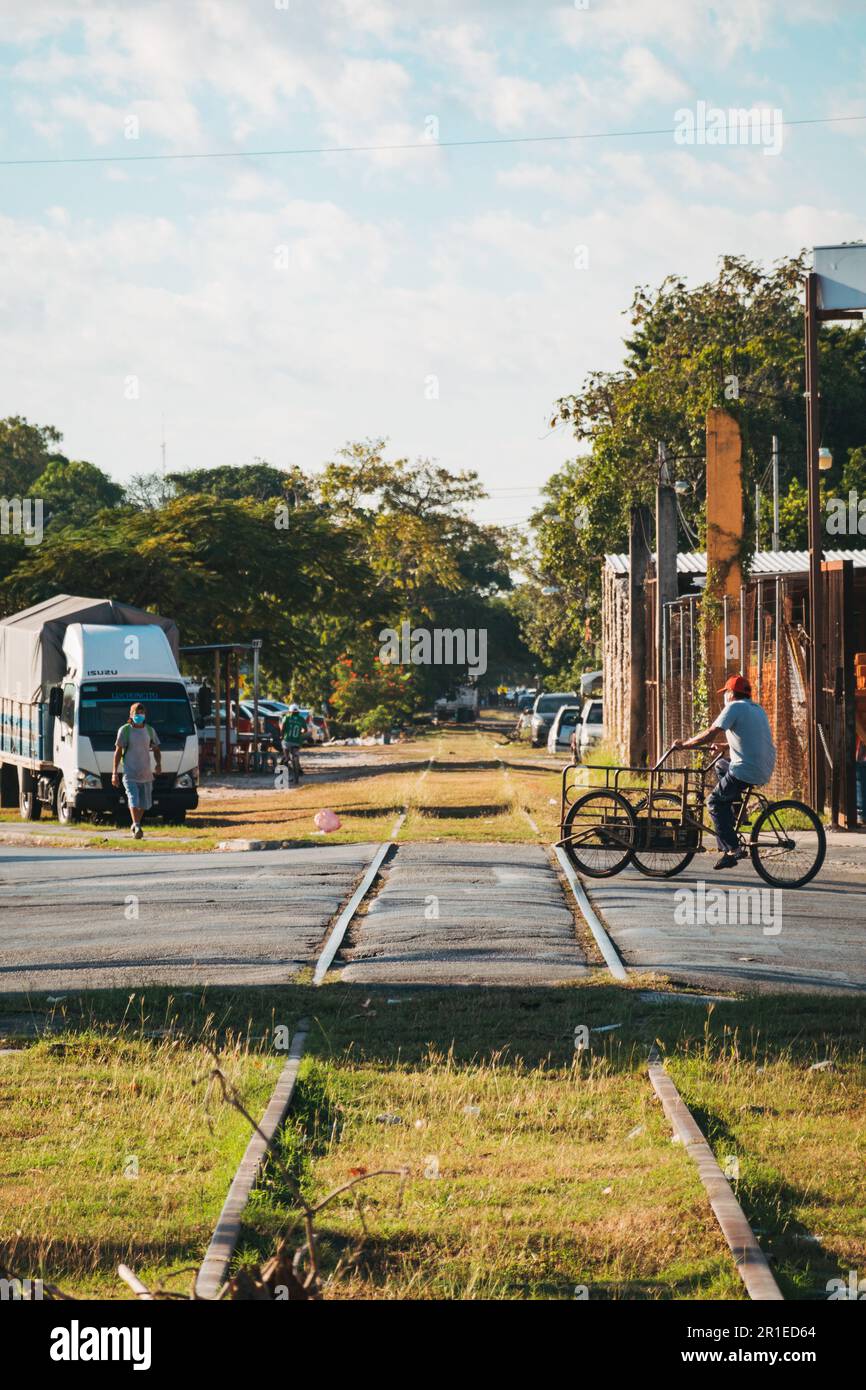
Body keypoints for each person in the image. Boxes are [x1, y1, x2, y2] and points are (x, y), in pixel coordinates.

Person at [672, 673, 776, 871]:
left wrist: (685, 744)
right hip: (762, 767)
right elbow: (749, 739)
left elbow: (711, 732)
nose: (724, 697)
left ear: (730, 693)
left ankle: (733, 849)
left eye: (725, 692)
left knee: (713, 801)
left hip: (745, 769)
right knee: (721, 766)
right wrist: (724, 746)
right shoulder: (757, 709)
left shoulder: (734, 707)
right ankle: (736, 811)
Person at [112, 701, 161, 839]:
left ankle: (136, 823)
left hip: (146, 774)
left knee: (144, 804)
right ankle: (137, 825)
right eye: (136, 713)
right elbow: (118, 751)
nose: (139, 715)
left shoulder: (150, 730)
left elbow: (156, 749)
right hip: (130, 773)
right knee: (133, 799)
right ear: (131, 715)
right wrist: (114, 773)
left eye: (141, 713)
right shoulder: (125, 730)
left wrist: (158, 764)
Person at [279, 702, 306, 787]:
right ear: (298, 711)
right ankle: (296, 778)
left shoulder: (286, 717)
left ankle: (284, 777)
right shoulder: (301, 719)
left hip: (287, 741)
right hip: (297, 741)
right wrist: (300, 733)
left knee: (286, 758)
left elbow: (282, 728)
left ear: (290, 711)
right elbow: (305, 730)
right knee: (296, 757)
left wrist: (281, 736)